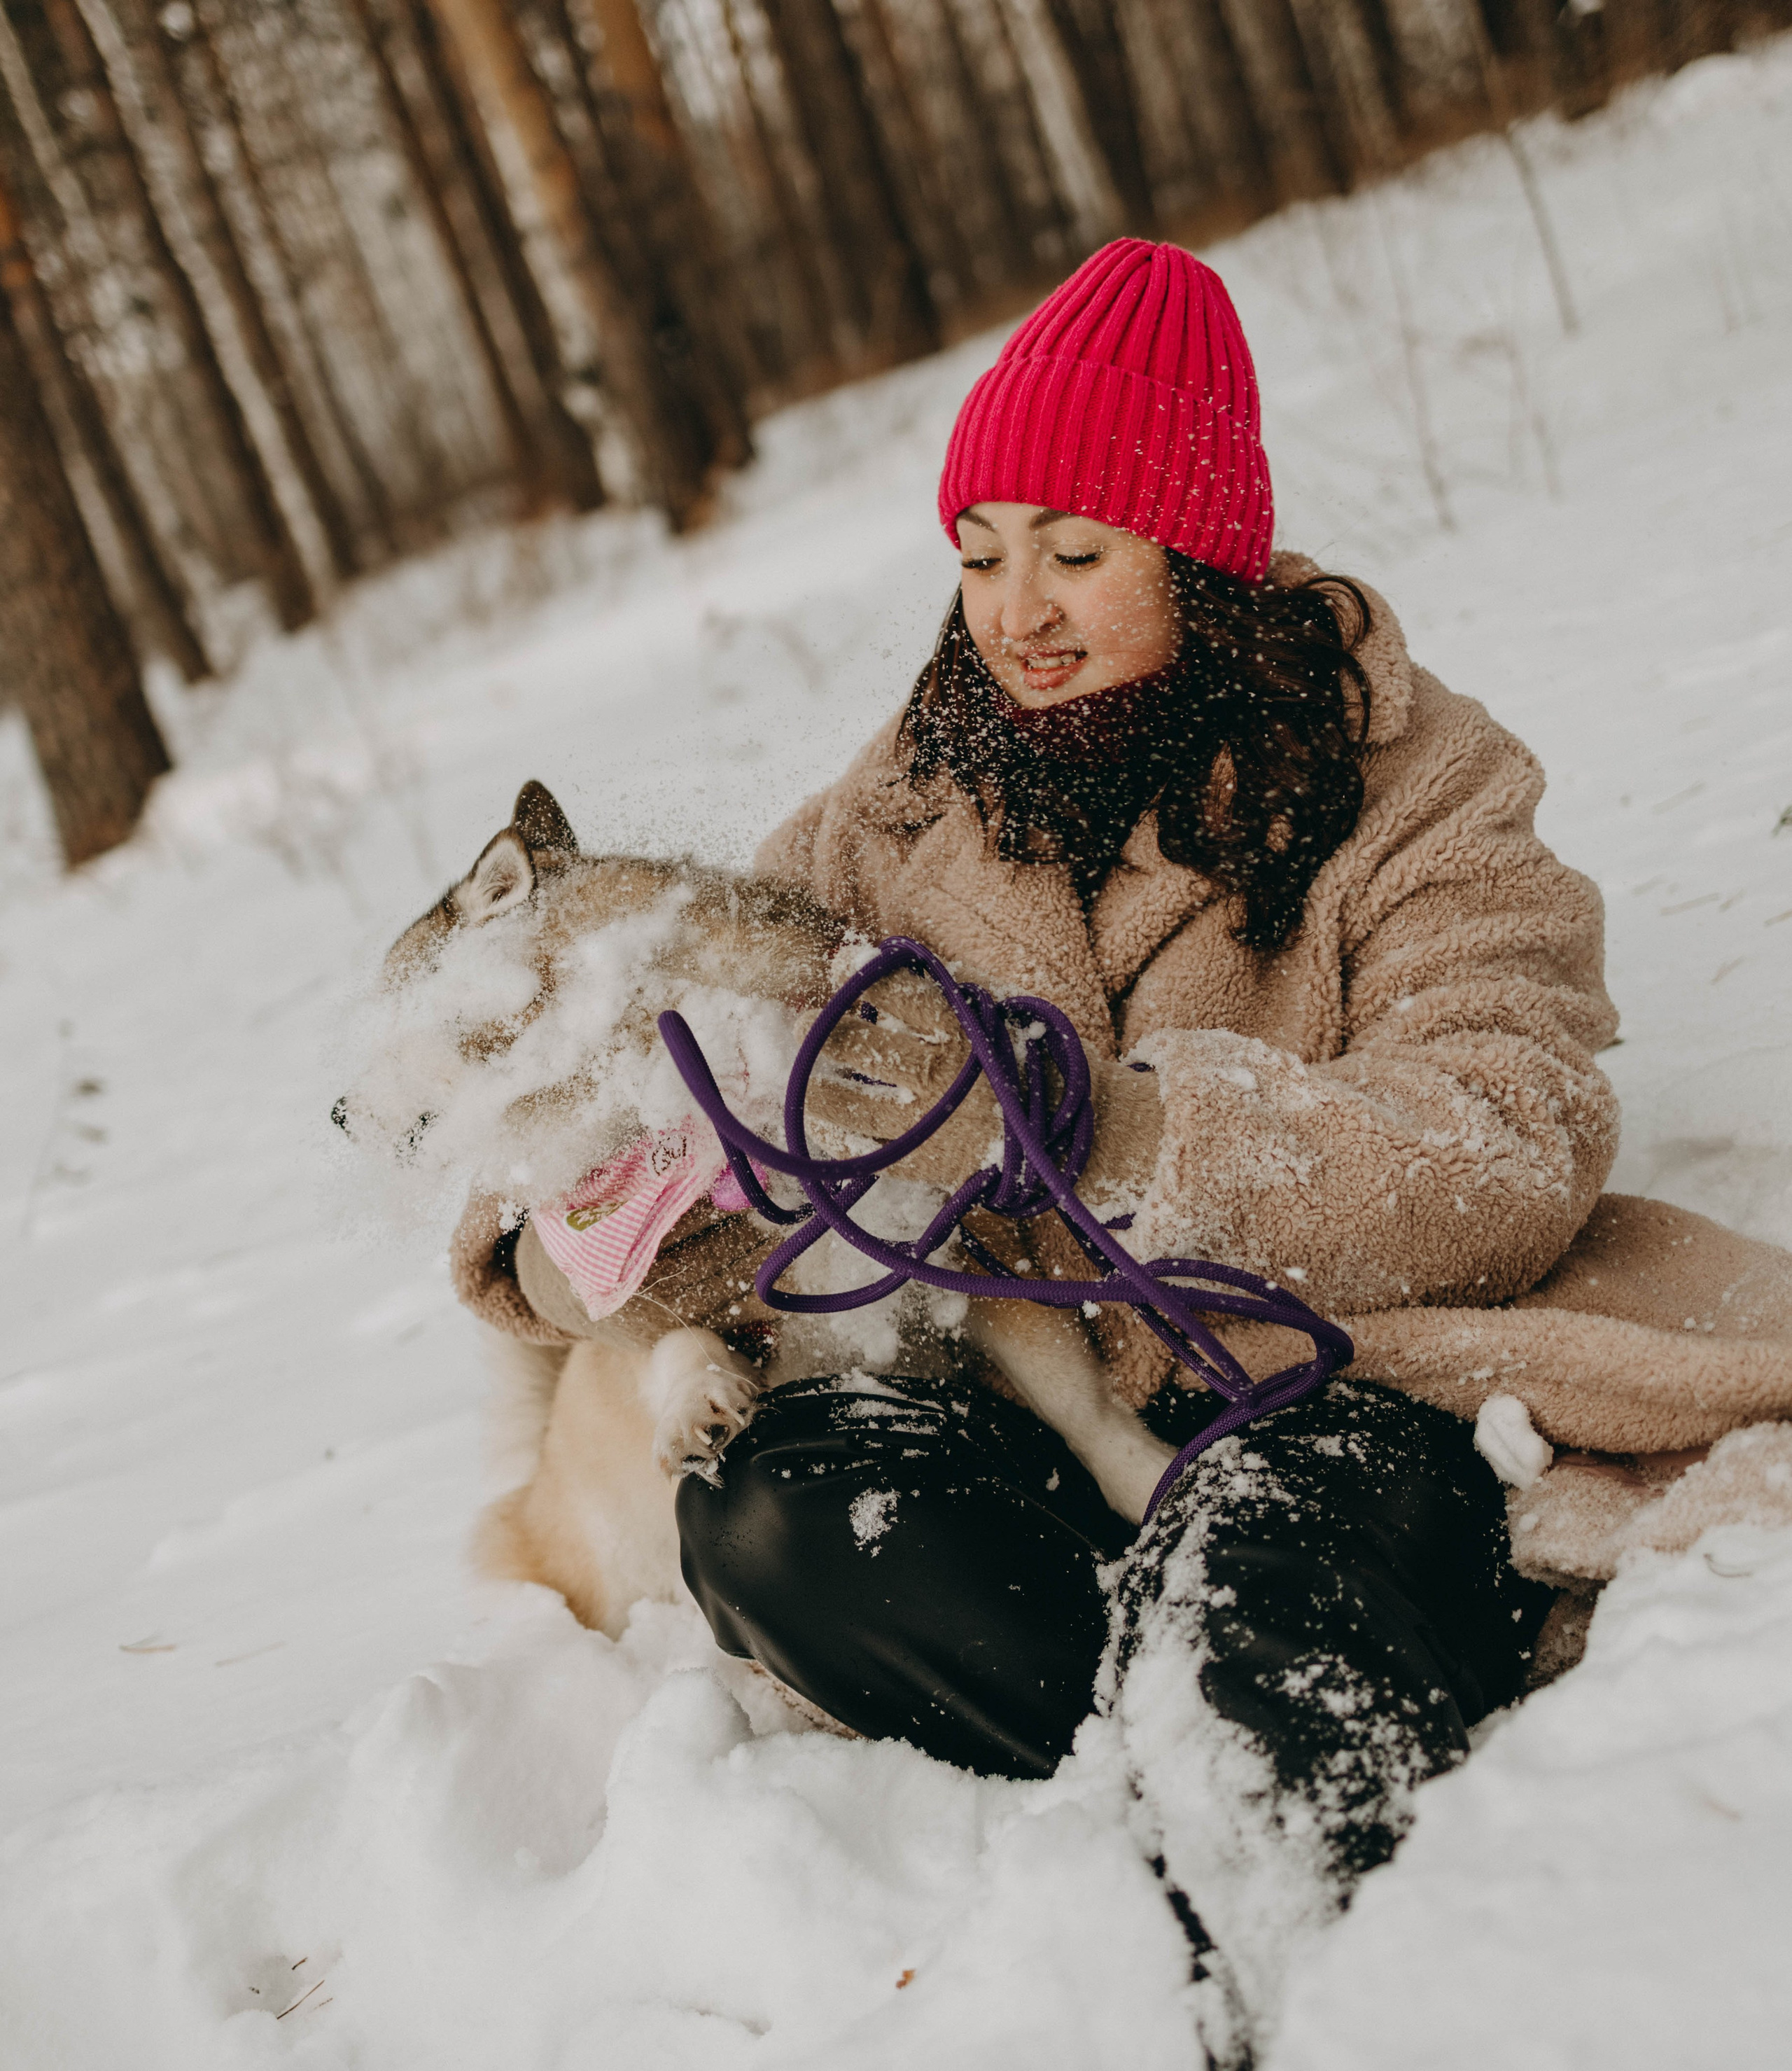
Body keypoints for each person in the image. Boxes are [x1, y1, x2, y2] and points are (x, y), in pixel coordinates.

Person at [450, 239, 1792, 2045]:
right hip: (1021, 1403)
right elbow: (713, 1069)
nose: (1021, 611)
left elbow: (1507, 1136)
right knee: (785, 1526)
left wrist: (1102, 1123)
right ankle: (1197, 1748)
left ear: (1206, 555)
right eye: (983, 554)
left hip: (1329, 1387)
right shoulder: (889, 813)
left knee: (1252, 1587)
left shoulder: (1421, 784)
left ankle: (1319, 1949)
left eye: (1078, 551)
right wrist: (578, 1232)